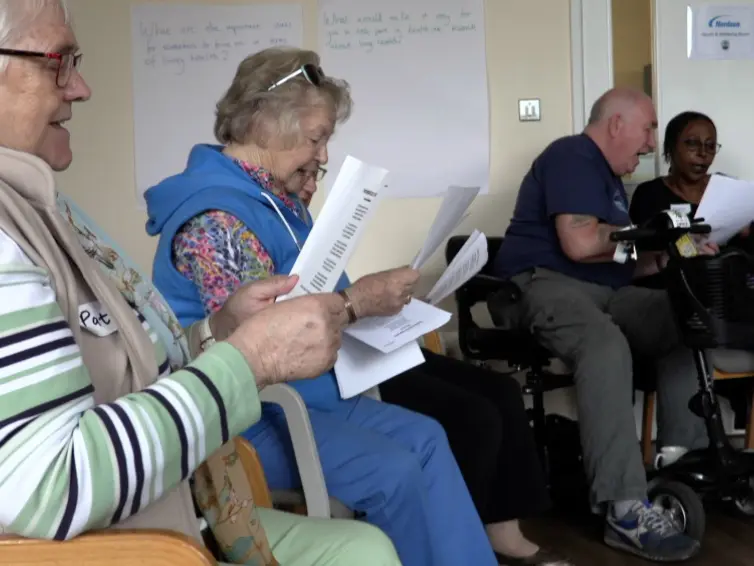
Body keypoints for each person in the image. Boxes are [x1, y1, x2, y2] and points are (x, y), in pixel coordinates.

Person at [0, 2, 402, 565]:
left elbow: (130, 371)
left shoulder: (46, 206)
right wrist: (250, 358)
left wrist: (216, 332)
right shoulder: (14, 230)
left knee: (370, 542)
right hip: (139, 539)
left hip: (180, 502)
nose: (81, 87)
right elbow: (50, 487)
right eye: (57, 62)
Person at [145, 46, 498, 566]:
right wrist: (357, 302)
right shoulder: (216, 217)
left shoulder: (277, 200)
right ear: (265, 124)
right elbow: (262, 348)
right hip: (251, 421)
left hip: (314, 401)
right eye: (317, 138)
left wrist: (374, 307)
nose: (324, 156)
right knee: (394, 470)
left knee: (427, 437)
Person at [294, 163, 572, 566]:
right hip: (342, 366)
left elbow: (334, 295)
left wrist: (386, 307)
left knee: (503, 391)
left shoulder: (297, 217)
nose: (311, 182)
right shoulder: (246, 224)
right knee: (473, 417)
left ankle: (503, 532)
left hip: (363, 343)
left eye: (316, 171)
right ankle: (456, 541)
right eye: (306, 169)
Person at [492, 87, 716, 562]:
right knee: (605, 346)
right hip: (544, 285)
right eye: (648, 129)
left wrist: (668, 253)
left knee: (689, 318)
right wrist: (654, 234)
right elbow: (577, 244)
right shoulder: (572, 154)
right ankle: (626, 508)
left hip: (605, 291)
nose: (652, 143)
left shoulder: (614, 182)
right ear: (616, 123)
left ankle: (682, 460)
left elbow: (616, 258)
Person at [631, 110, 753, 288]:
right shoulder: (649, 193)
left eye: (710, 146)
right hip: (669, 294)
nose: (703, 153)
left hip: (726, 291)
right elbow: (638, 258)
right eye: (692, 144)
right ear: (671, 147)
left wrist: (747, 230)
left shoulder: (728, 189)